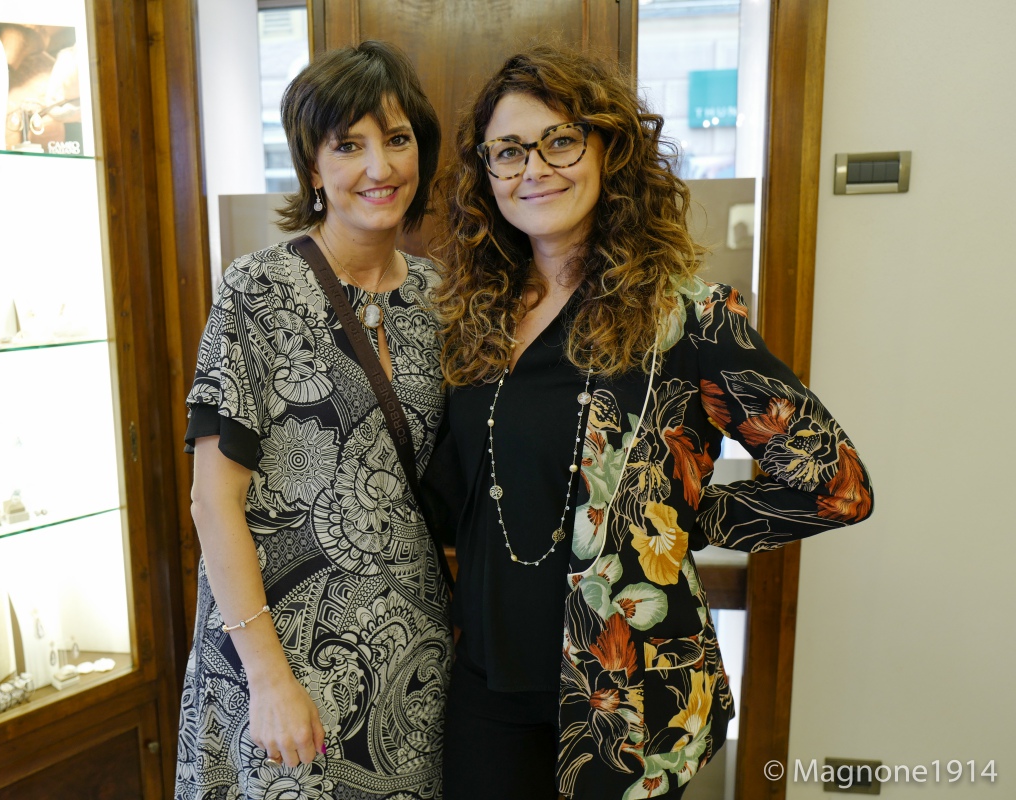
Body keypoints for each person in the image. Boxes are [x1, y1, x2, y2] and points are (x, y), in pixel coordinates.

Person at [428, 45, 874, 800]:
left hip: (625, 702)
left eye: (561, 140)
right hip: (485, 690)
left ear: (611, 151)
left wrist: (680, 518)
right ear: (486, 173)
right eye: (508, 151)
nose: (534, 168)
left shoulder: (686, 319)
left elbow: (838, 486)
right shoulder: (473, 320)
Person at [175, 41, 452, 800]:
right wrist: (267, 678)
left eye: (397, 140)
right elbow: (213, 501)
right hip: (280, 665)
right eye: (348, 145)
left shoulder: (439, 298)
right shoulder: (259, 290)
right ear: (312, 165)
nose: (379, 167)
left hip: (411, 670)